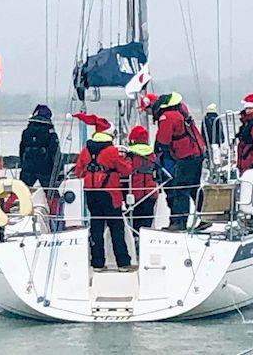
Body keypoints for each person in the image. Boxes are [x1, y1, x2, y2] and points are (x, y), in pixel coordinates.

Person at [73, 114, 133, 272]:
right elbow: (126, 170)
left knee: (96, 228)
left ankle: (97, 263)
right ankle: (123, 263)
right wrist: (128, 160)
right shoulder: (112, 151)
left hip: (91, 194)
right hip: (110, 194)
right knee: (116, 228)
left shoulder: (85, 151)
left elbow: (78, 172)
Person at [140, 91, 206, 231]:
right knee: (194, 188)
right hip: (196, 154)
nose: (149, 114)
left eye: (148, 110)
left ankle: (179, 222)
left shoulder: (167, 117)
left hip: (186, 156)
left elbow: (163, 140)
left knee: (180, 189)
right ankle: (207, 216)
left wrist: (158, 154)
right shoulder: (179, 109)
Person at [125, 125, 158, 236]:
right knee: (147, 222)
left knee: (134, 222)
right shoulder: (152, 154)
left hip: (134, 192)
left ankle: (134, 239)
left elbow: (125, 171)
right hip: (150, 192)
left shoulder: (130, 154)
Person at [18, 104, 60, 189]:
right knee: (51, 192)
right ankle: (54, 202)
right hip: (45, 166)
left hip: (28, 165)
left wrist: (23, 163)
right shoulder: (50, 132)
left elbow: (21, 150)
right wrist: (59, 171)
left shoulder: (26, 132)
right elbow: (55, 153)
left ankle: (11, 202)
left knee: (22, 191)